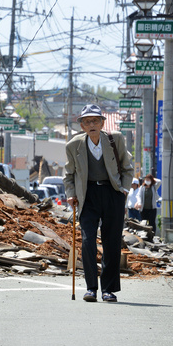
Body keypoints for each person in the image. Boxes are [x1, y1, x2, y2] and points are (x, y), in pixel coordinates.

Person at [64, 104, 134, 303]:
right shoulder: (73, 145)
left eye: (95, 120)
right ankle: (91, 288)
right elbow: (68, 175)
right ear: (82, 126)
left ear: (102, 123)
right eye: (87, 122)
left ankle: (108, 290)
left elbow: (127, 167)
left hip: (113, 193)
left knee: (111, 242)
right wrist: (71, 194)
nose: (92, 124)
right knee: (87, 242)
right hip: (87, 195)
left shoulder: (115, 139)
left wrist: (124, 190)